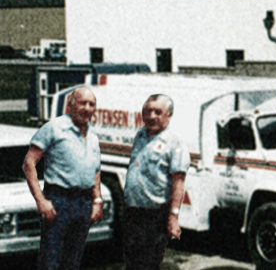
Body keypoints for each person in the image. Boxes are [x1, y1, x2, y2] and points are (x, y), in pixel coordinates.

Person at [23, 87, 103, 270]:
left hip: (84, 202)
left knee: (73, 259)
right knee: (51, 259)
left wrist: (97, 200)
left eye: (92, 104)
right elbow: (29, 163)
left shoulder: (92, 135)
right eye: (83, 103)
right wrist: (41, 200)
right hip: (59, 200)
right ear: (71, 104)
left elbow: (95, 169)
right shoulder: (53, 128)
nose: (87, 108)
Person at [122, 94, 189, 270]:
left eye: (157, 112)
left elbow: (178, 182)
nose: (151, 116)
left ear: (169, 115)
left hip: (155, 215)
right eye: (147, 111)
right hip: (132, 211)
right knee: (131, 261)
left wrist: (173, 217)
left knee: (148, 263)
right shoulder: (141, 135)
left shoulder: (175, 142)